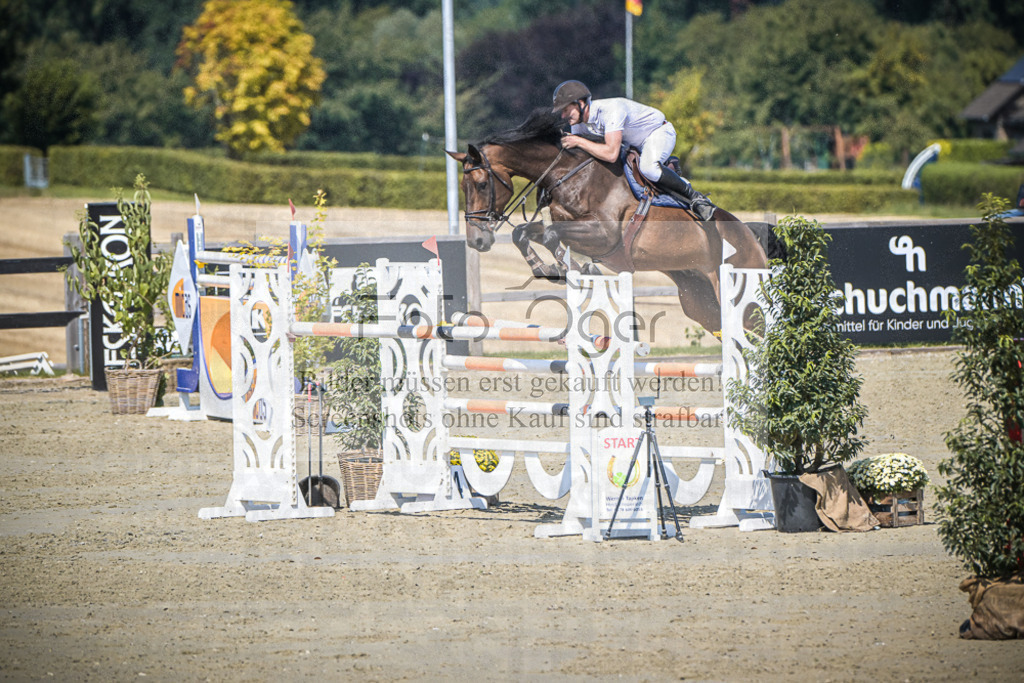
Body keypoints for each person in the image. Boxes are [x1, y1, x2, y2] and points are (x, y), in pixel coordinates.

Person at [551, 80, 716, 221]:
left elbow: (610, 153)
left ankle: (696, 199)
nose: (563, 116)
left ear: (581, 103)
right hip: (634, 145)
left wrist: (579, 141)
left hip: (657, 133)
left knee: (649, 168)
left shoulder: (611, 110)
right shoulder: (577, 123)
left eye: (566, 109)